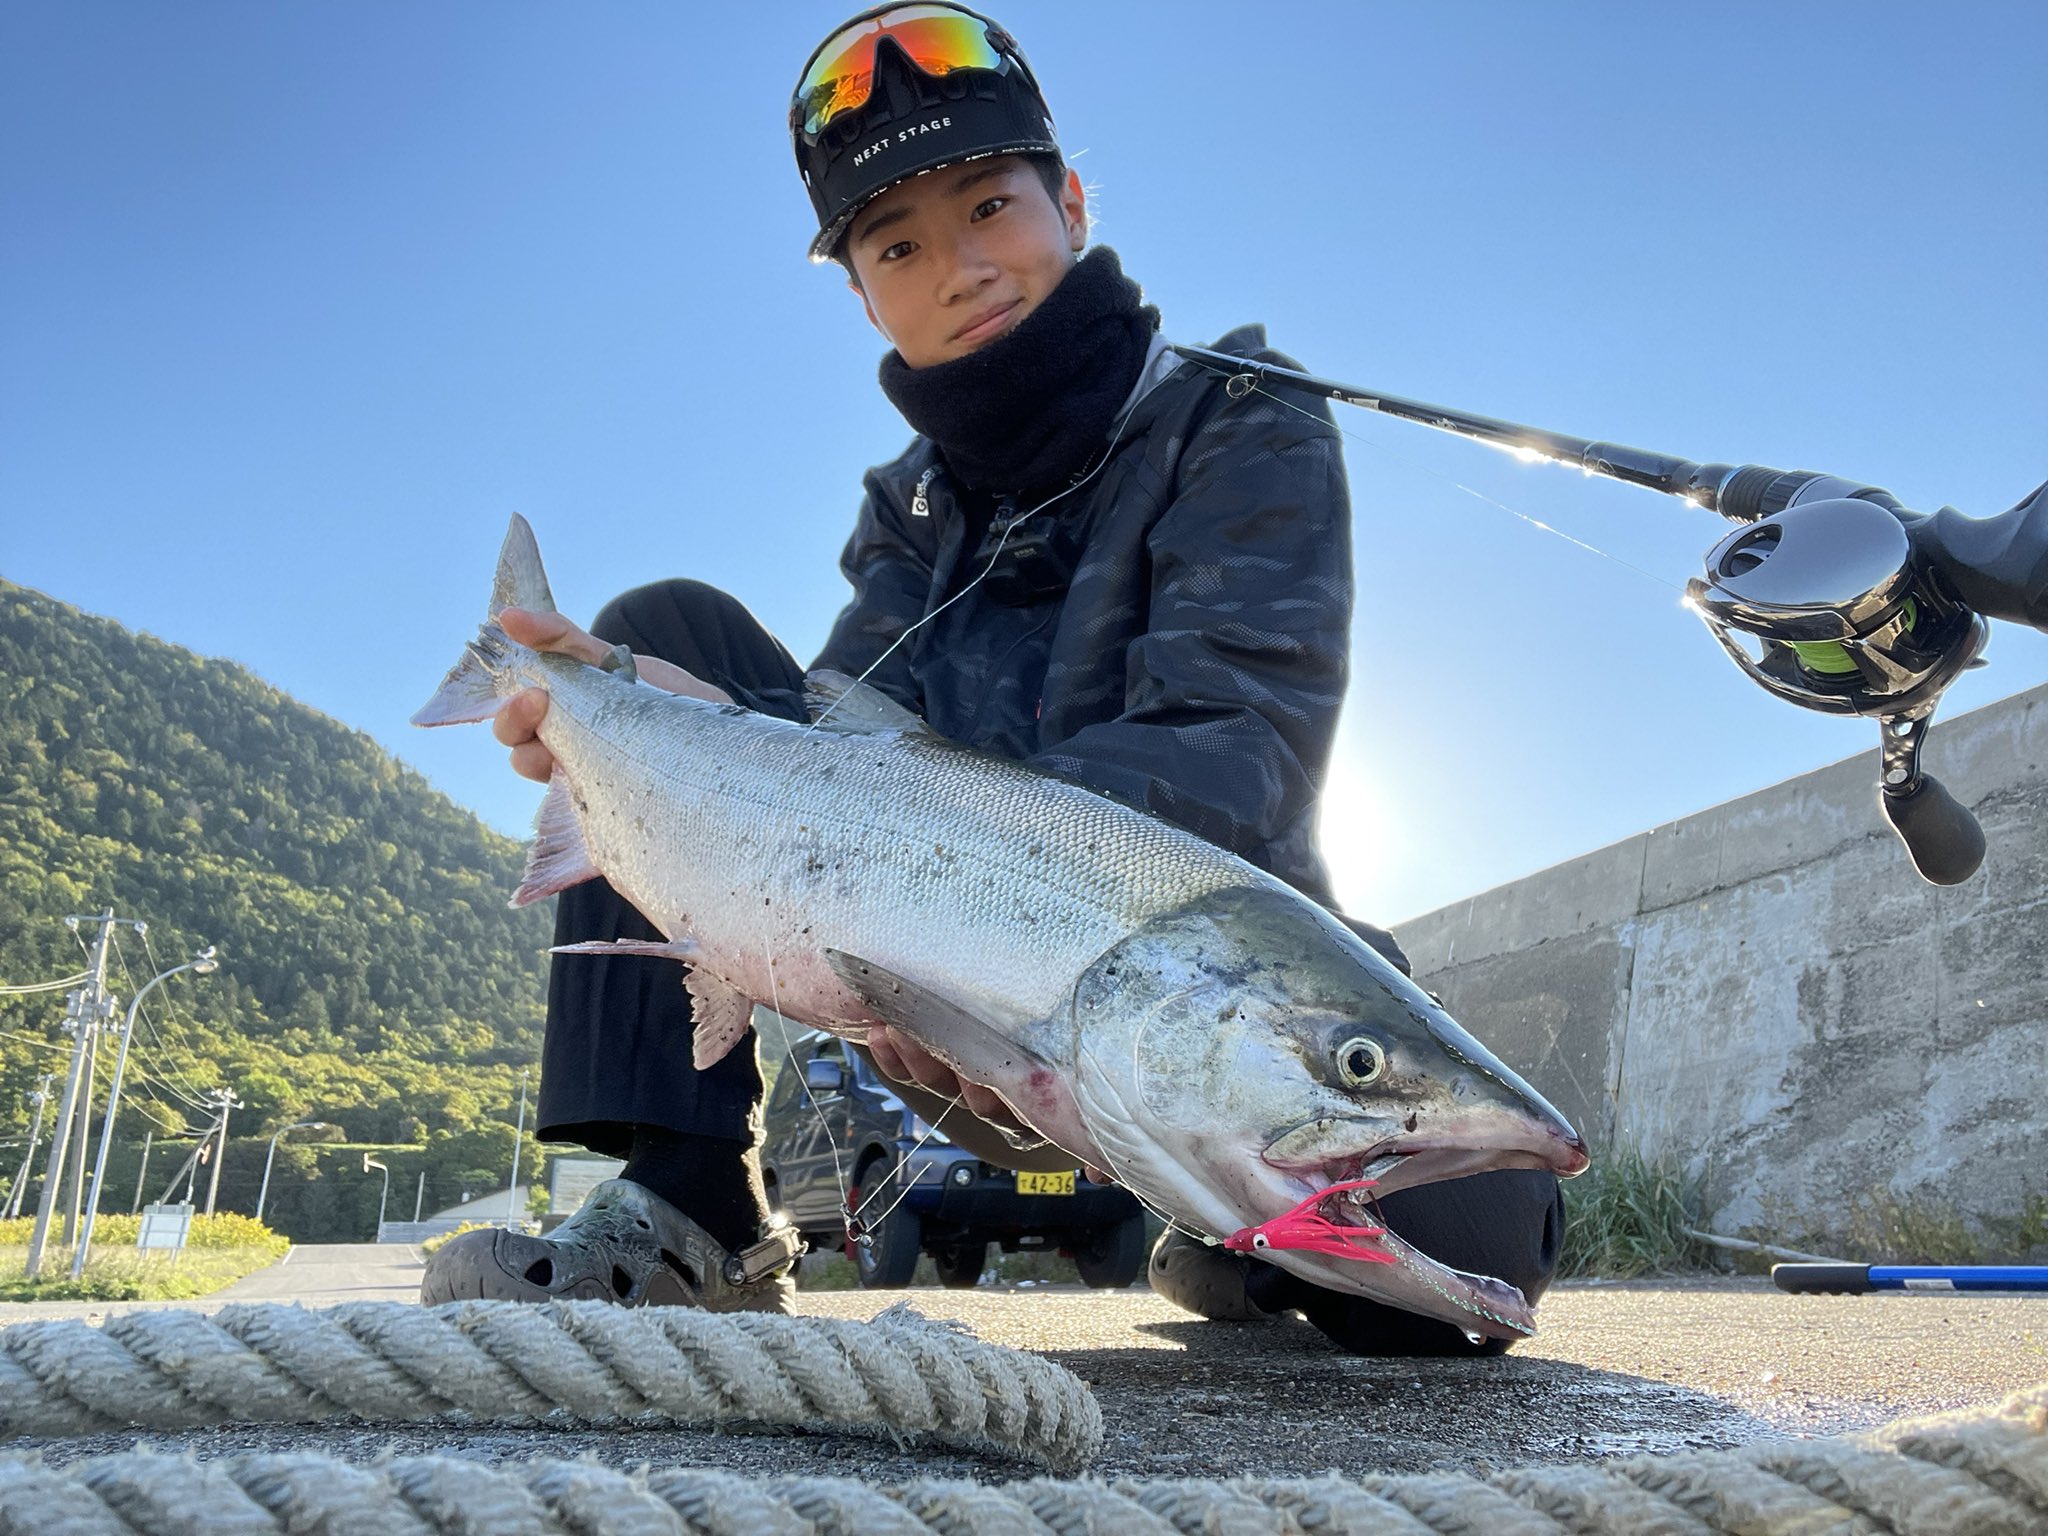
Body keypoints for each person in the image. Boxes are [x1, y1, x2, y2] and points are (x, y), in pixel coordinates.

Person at [422, 2, 1562, 1354]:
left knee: (1479, 1236)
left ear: (1069, 201)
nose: (961, 266)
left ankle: (1215, 1227)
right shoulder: (906, 507)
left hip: (1195, 973)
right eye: (899, 244)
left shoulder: (1241, 414)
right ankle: (690, 1210)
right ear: (861, 294)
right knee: (663, 632)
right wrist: (659, 716)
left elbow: (1232, 739)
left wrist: (935, 880)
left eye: (990, 206)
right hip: (931, 1008)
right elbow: (840, 725)